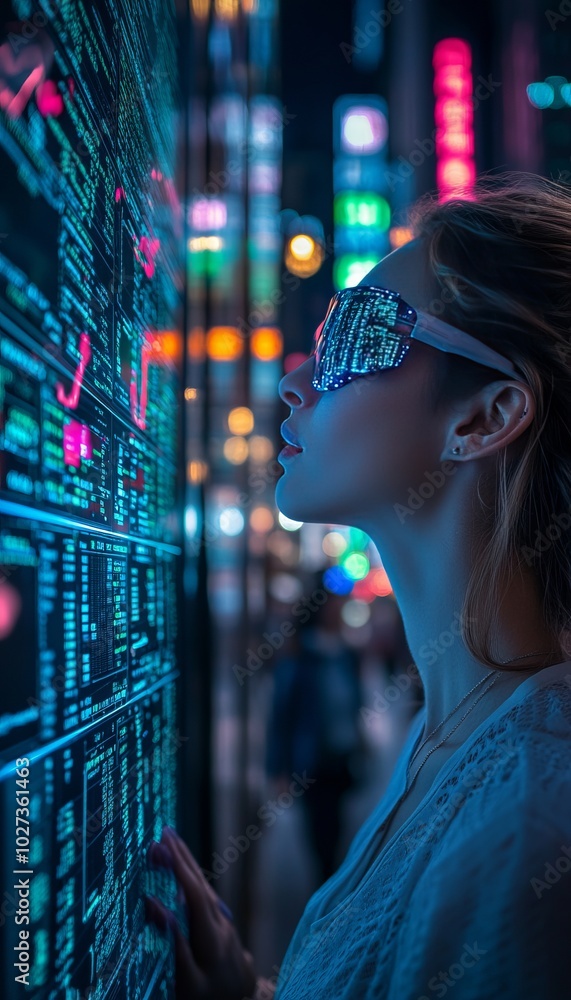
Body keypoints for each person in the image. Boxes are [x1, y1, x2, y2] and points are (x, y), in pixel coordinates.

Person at [144, 172, 571, 999]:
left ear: (485, 417)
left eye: (354, 336)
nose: (295, 381)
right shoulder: (454, 735)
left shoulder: (527, 823)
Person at [265, 589, 368, 883]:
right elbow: (281, 717)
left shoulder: (346, 654)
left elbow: (354, 702)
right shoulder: (300, 659)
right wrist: (277, 770)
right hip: (311, 761)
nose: (338, 612)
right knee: (319, 831)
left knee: (337, 824)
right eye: (333, 606)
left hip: (342, 757)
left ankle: (330, 880)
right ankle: (324, 887)